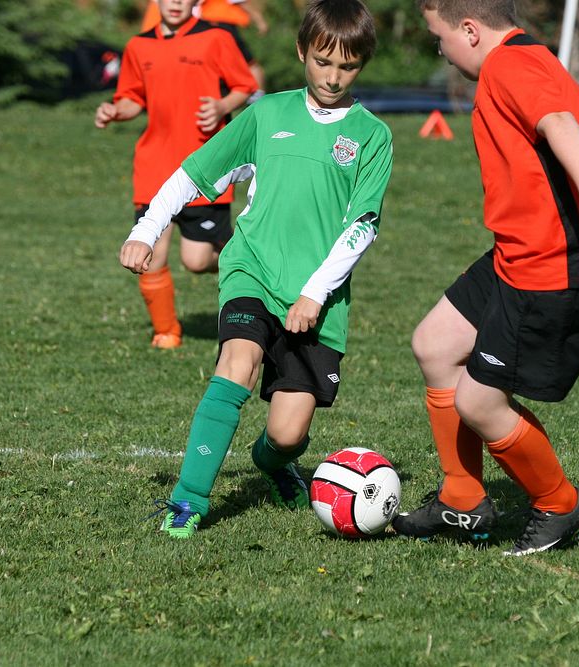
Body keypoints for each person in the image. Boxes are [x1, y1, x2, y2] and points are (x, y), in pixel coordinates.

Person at [121, 0, 393, 538]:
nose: (332, 77)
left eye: (347, 67)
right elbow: (193, 172)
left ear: (362, 66)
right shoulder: (267, 115)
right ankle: (188, 501)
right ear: (301, 51)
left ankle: (273, 464)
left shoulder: (372, 135)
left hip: (319, 296)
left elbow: (363, 224)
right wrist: (144, 231)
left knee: (288, 433)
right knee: (236, 365)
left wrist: (314, 294)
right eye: (322, 62)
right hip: (253, 267)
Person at [393, 0, 579, 556]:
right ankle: (462, 500)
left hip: (557, 267)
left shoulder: (511, 67)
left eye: (439, 37)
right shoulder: (524, 58)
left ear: (470, 31)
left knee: (479, 401)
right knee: (434, 343)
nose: (440, 51)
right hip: (516, 254)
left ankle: (560, 504)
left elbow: (562, 124)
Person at [98, 0, 258, 349]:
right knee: (149, 251)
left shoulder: (216, 38)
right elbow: (131, 98)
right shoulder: (139, 45)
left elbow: (244, 86)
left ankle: (246, 265)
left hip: (205, 167)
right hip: (154, 164)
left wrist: (220, 106)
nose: (175, 3)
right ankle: (166, 332)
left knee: (196, 260)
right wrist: (115, 111)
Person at [142, 0, 269, 97]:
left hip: (206, 23)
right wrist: (259, 19)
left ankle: (252, 97)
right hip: (218, 22)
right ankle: (254, 97)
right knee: (248, 64)